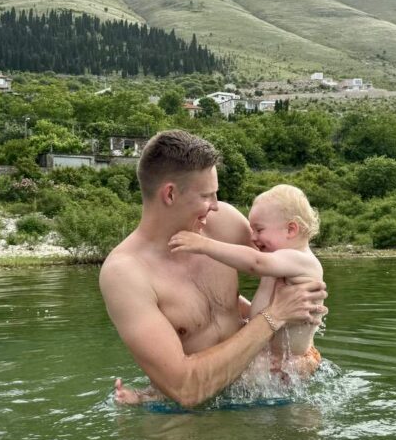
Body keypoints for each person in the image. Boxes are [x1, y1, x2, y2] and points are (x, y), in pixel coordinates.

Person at [99, 129, 327, 408]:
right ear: (170, 194)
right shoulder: (125, 274)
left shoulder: (224, 223)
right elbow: (185, 390)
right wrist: (274, 316)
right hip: (193, 425)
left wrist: (306, 336)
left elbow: (284, 264)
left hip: (258, 395)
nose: (216, 206)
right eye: (207, 196)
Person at [168, 184, 323, 372]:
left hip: (289, 361)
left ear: (290, 230)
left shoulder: (301, 260)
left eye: (259, 229)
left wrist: (203, 245)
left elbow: (255, 262)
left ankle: (153, 394)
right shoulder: (279, 260)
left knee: (215, 376)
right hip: (273, 354)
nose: (253, 237)